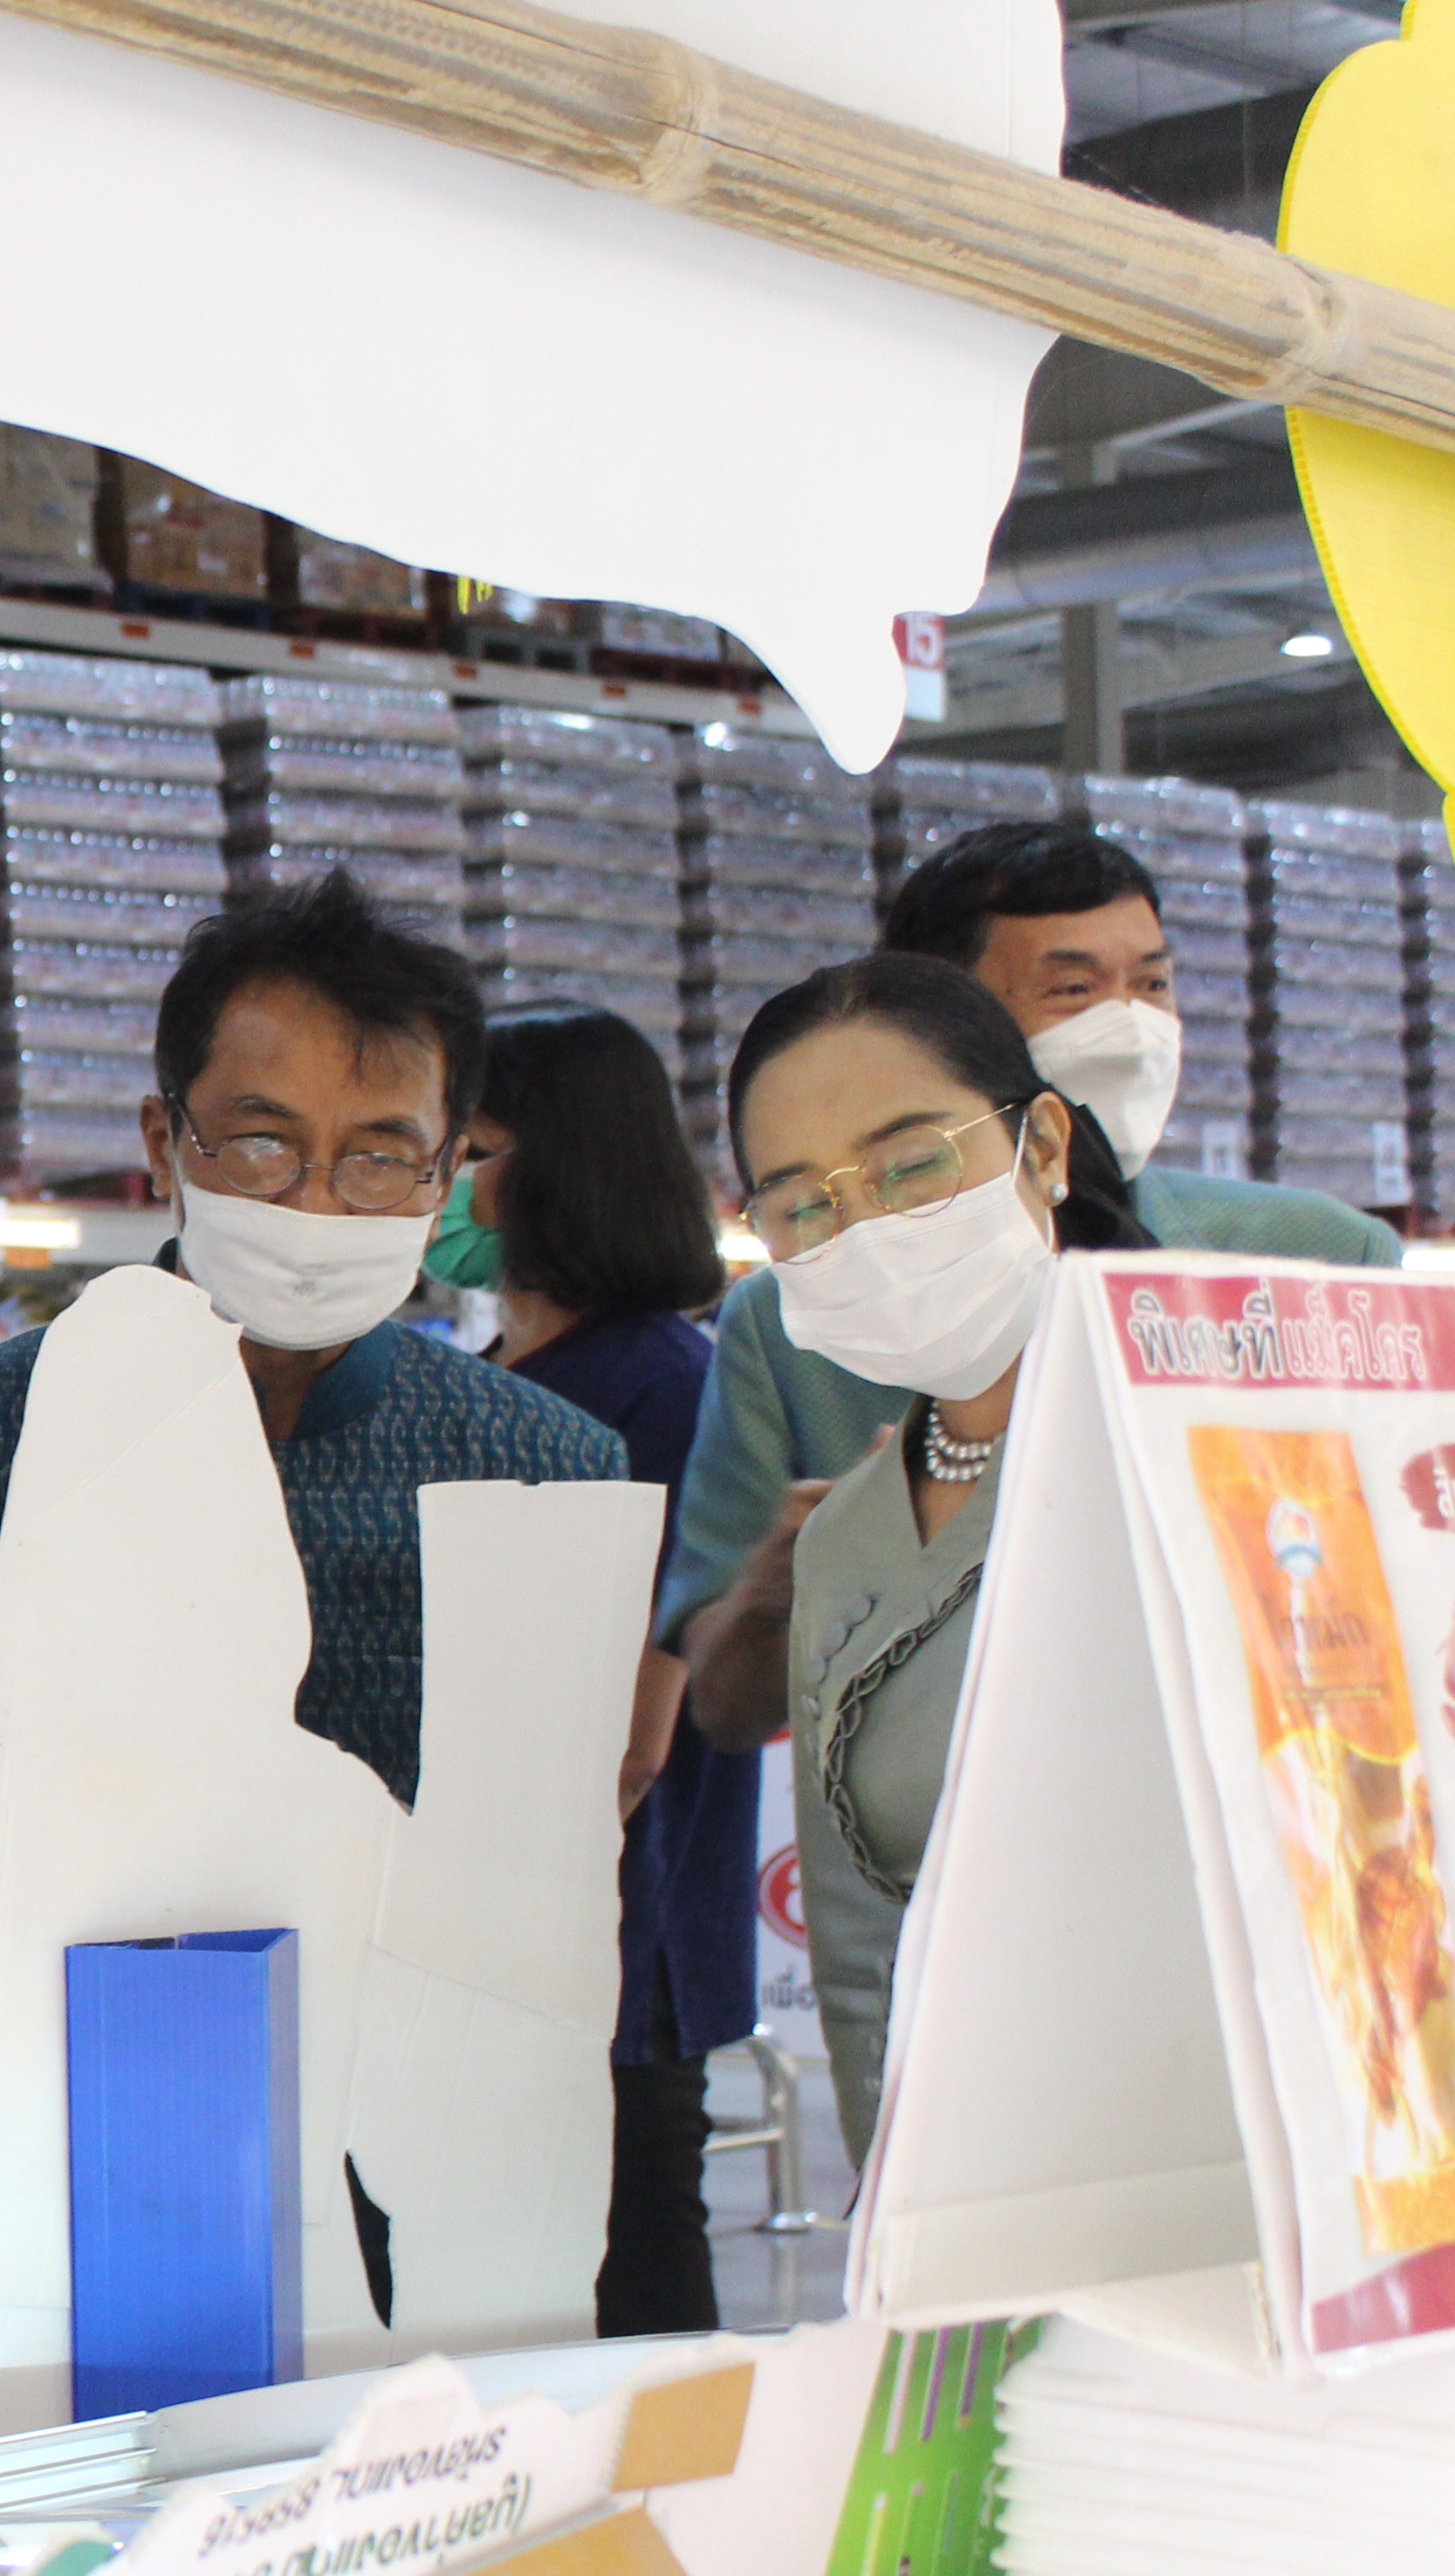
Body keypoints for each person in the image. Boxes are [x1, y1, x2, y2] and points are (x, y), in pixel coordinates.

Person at [0, 873, 625, 2449]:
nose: (312, 1200)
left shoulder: (541, 1471)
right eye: (257, 1140)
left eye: (377, 1152)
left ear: (450, 1168)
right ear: (161, 1137)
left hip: (408, 2255)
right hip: (31, 2240)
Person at [664, 823, 1396, 1755]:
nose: (1130, 1026)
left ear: (1042, 1142)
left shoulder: (1318, 1264)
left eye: (1153, 985)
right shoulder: (793, 1323)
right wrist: (806, 1575)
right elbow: (723, 1699)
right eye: (1075, 989)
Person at [691, 957, 1149, 2161]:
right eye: (804, 1206)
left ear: (1044, 1147)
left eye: (912, 1167)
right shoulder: (846, 1535)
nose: (869, 1231)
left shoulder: (1195, 1459)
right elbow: (854, 1952)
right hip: (962, 2182)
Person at [426, 1006, 756, 2338]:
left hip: (610, 1932)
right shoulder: (493, 1366)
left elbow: (637, 1723)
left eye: (473, 1144)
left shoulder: (665, 1387)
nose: (443, 1174)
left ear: (565, 1164)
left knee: (629, 2278)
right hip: (491, 1934)